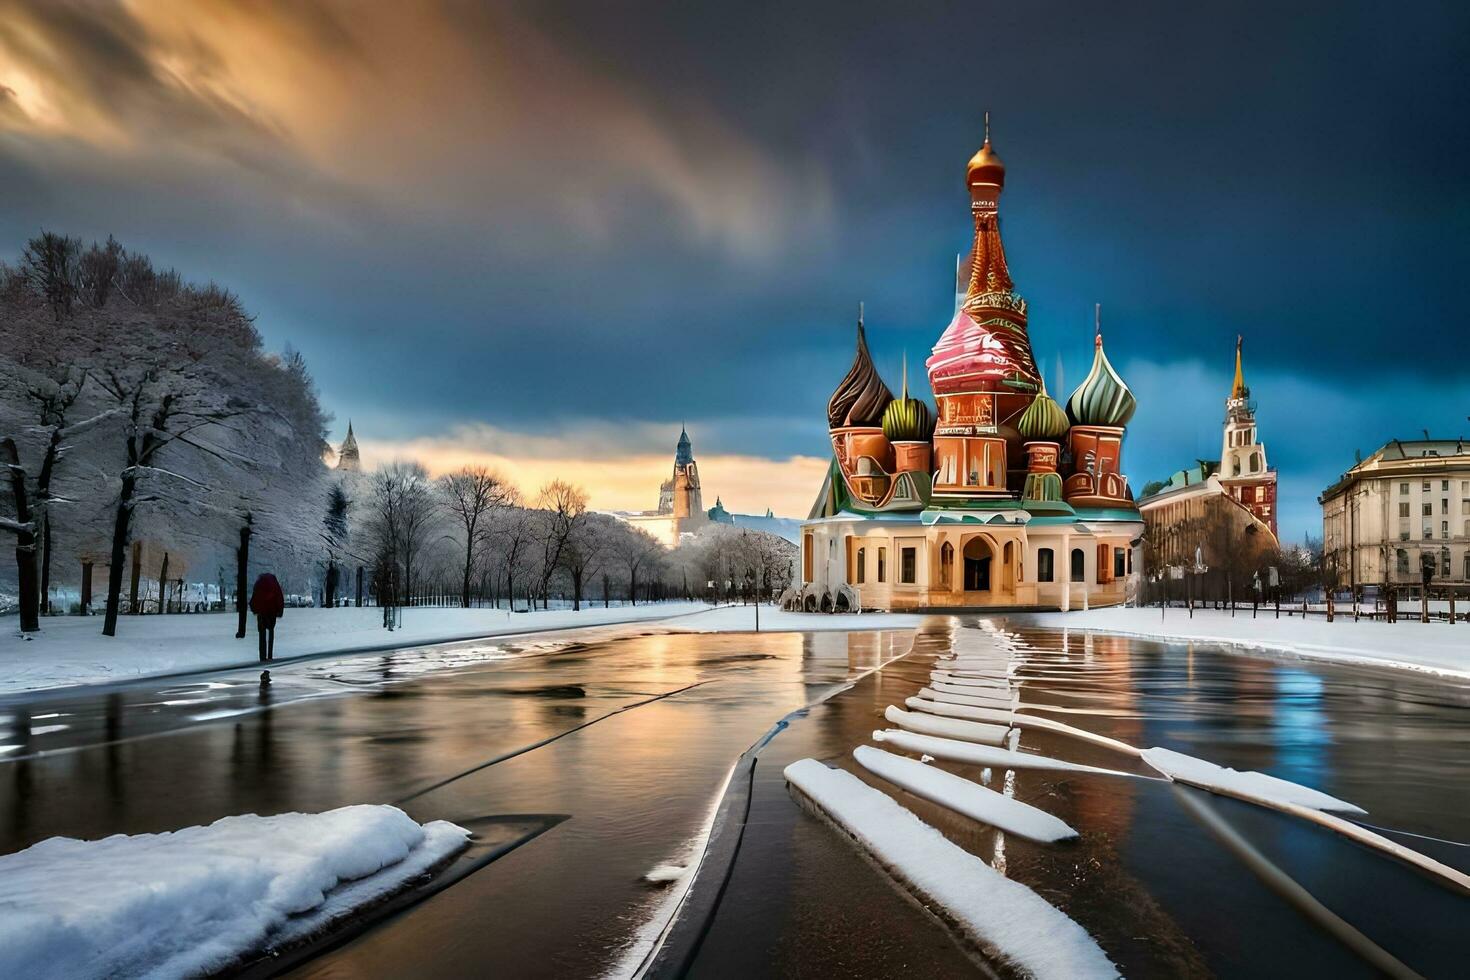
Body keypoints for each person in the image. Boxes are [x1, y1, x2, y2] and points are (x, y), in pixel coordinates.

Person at [249, 572, 285, 662]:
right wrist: (280, 611)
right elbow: (279, 598)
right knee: (271, 632)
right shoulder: (274, 585)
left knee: (262, 634)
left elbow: (254, 597)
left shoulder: (259, 584)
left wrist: (254, 609)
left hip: (262, 612)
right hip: (272, 612)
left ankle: (262, 656)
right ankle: (270, 654)